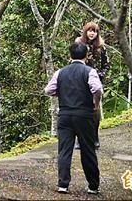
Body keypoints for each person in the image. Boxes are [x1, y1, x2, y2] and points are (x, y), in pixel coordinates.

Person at [45, 42, 102, 195]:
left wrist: (61, 93)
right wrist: (95, 103)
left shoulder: (60, 72)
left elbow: (48, 90)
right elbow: (97, 89)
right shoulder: (89, 71)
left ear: (69, 56)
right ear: (87, 56)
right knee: (88, 150)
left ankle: (63, 184)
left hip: (64, 115)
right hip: (84, 115)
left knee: (64, 150)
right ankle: (93, 186)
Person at [75, 22, 109, 149]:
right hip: (81, 81)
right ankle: (80, 138)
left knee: (95, 110)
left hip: (95, 81)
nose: (92, 33)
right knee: (79, 108)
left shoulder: (101, 47)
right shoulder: (79, 44)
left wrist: (100, 75)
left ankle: (94, 136)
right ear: (85, 31)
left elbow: (106, 65)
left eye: (94, 31)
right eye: (90, 30)